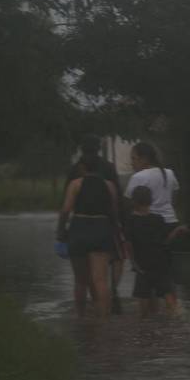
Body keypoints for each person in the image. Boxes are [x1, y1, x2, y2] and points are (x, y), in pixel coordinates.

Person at [66, 134, 125, 314]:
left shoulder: (76, 171)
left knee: (80, 280)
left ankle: (81, 319)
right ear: (99, 148)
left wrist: (61, 231)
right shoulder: (108, 169)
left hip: (79, 226)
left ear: (82, 149)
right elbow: (117, 201)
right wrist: (118, 227)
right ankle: (104, 319)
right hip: (103, 226)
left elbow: (65, 206)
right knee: (101, 279)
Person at [126, 185, 189, 317]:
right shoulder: (158, 219)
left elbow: (129, 245)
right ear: (151, 201)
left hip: (143, 266)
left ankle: (147, 328)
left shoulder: (130, 221)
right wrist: (177, 230)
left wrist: (134, 264)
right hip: (161, 264)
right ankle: (178, 319)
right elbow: (166, 241)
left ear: (134, 202)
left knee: (143, 308)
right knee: (169, 297)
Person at [124, 142, 181, 236]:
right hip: (171, 222)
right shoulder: (170, 173)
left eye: (134, 159)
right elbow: (174, 198)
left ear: (144, 159)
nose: (132, 163)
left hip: (148, 226)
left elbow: (128, 203)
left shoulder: (138, 177)